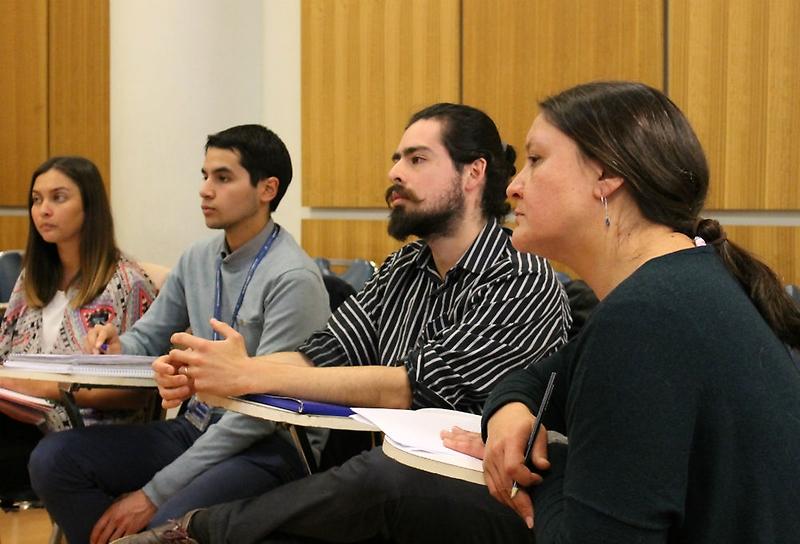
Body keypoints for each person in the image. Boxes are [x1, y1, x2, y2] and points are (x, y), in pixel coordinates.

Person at [118, 103, 571, 544]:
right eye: (397, 159)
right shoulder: (404, 267)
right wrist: (208, 370)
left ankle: (197, 529)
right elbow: (322, 353)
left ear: (473, 173)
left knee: (376, 478)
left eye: (417, 160)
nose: (395, 173)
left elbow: (410, 387)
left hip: (487, 492)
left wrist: (248, 374)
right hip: (394, 483)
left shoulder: (522, 277)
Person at [447, 81, 800, 543]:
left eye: (536, 159)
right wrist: (509, 413)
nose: (513, 186)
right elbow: (537, 379)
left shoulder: (645, 320)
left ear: (607, 175)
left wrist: (542, 467)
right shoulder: (683, 284)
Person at [28, 125, 331, 544]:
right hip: (196, 425)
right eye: (205, 176)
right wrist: (116, 344)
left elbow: (264, 412)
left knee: (167, 523)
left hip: (269, 444)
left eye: (222, 178)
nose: (205, 190)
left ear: (267, 189)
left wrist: (151, 495)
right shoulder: (197, 258)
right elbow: (147, 339)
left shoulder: (293, 277)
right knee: (54, 460)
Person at [0, 156, 157, 495]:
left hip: (92, 440)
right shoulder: (30, 279)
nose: (43, 210)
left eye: (58, 198)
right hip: (24, 424)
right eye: (36, 199)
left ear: (90, 206)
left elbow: (137, 394)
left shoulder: (127, 283)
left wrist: (41, 388)